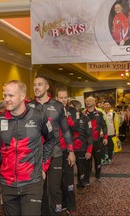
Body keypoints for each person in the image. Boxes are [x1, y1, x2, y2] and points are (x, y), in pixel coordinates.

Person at [0, 80, 55, 216]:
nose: (7, 100)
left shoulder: (38, 117)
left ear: (22, 96)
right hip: (7, 184)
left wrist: (44, 165)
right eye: (5, 96)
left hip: (32, 183)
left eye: (11, 96)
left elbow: (51, 139)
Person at [29, 74, 75, 215]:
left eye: (40, 84)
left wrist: (71, 150)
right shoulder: (28, 106)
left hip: (55, 153)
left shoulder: (58, 106)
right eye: (35, 84)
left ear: (47, 87)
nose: (36, 87)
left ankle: (56, 212)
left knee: (54, 188)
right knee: (38, 188)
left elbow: (66, 130)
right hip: (35, 155)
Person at [55, 87, 76, 215]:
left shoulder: (72, 111)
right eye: (61, 97)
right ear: (56, 98)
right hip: (55, 150)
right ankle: (61, 203)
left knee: (69, 179)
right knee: (57, 180)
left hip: (68, 149)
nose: (63, 100)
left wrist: (69, 120)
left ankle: (71, 205)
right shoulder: (51, 110)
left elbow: (76, 127)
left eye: (65, 97)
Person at [68, 99, 93, 192]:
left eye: (72, 108)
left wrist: (89, 150)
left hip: (81, 148)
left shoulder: (86, 118)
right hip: (69, 149)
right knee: (68, 172)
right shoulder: (66, 117)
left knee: (81, 169)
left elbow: (90, 135)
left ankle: (81, 184)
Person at [84, 96, 108, 181]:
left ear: (94, 103)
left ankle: (98, 175)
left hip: (97, 141)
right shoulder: (83, 114)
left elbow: (104, 126)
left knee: (98, 160)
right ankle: (87, 178)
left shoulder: (99, 113)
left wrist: (105, 137)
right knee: (87, 162)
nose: (88, 102)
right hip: (87, 143)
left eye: (90, 101)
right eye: (86, 101)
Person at [103, 100, 119, 165]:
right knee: (103, 147)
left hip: (111, 132)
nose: (106, 106)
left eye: (108, 105)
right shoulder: (101, 113)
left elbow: (116, 123)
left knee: (110, 146)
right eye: (105, 105)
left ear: (110, 106)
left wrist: (117, 132)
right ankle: (104, 158)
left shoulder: (113, 113)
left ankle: (109, 158)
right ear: (103, 106)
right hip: (103, 133)